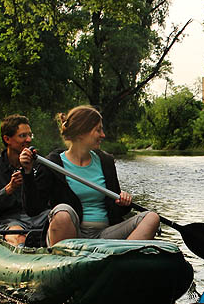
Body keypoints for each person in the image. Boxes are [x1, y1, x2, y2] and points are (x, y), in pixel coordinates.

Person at [18, 105, 160, 246]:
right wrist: (28, 173)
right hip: (71, 234)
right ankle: (65, 262)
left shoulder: (106, 161)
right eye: (98, 130)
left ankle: (120, 261)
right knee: (62, 213)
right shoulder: (52, 164)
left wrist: (123, 202)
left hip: (105, 235)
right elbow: (32, 209)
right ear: (81, 133)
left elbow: (116, 208)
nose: (103, 135)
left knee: (152, 218)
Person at [0, 114, 48, 246]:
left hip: (40, 217)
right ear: (7, 139)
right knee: (17, 234)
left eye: (30, 135)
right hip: (10, 221)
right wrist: (9, 189)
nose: (28, 140)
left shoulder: (40, 164)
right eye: (22, 136)